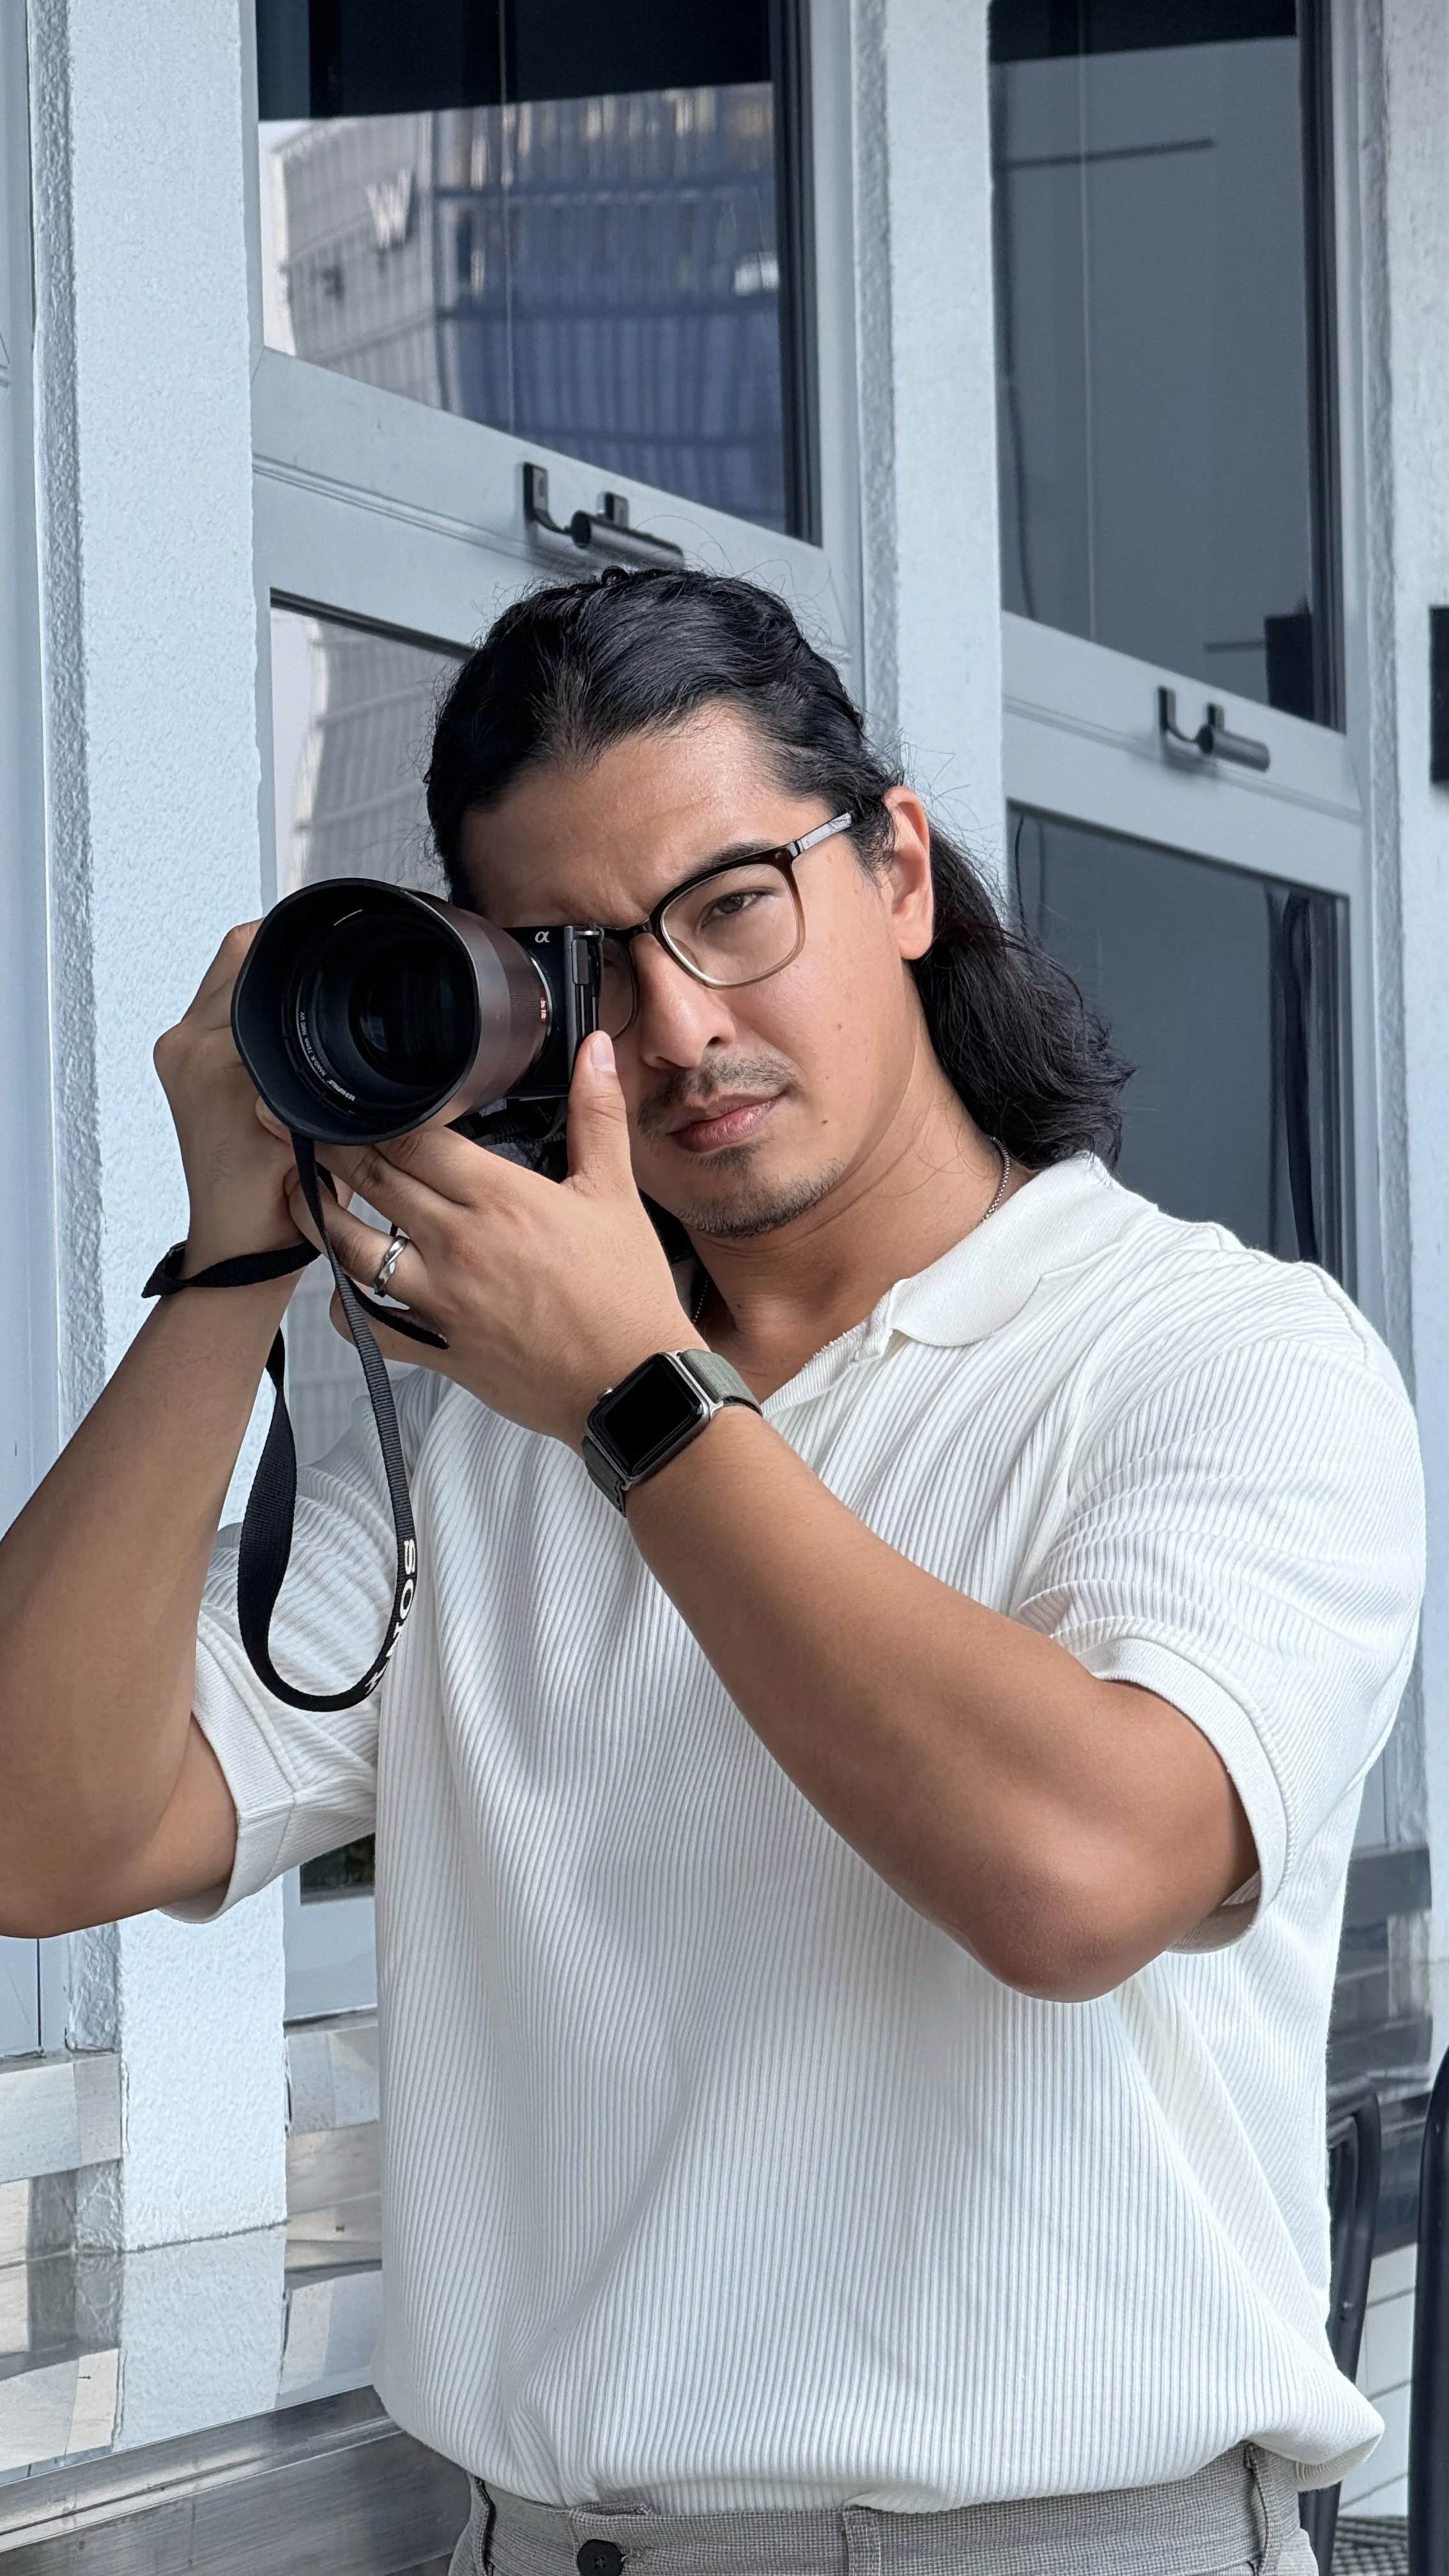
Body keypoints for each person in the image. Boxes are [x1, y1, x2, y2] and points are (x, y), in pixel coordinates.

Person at [0, 570, 1424, 2576]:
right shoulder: (477, 1416)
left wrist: (635, 1400)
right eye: (578, 964)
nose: (677, 1026)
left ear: (896, 870)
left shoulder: (1212, 1352)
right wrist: (233, 1260)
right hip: (534, 2541)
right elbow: (42, 1837)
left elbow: (1079, 1878)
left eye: (734, 904)